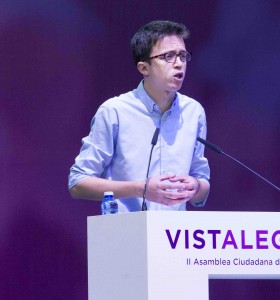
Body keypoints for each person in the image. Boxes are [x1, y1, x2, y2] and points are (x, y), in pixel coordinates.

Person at [68, 20, 210, 212]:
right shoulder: (114, 111)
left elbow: (202, 187)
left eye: (183, 56)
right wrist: (139, 189)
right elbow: (78, 183)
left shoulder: (194, 111)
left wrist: (196, 186)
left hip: (174, 236)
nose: (179, 64)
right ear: (144, 68)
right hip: (126, 234)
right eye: (168, 56)